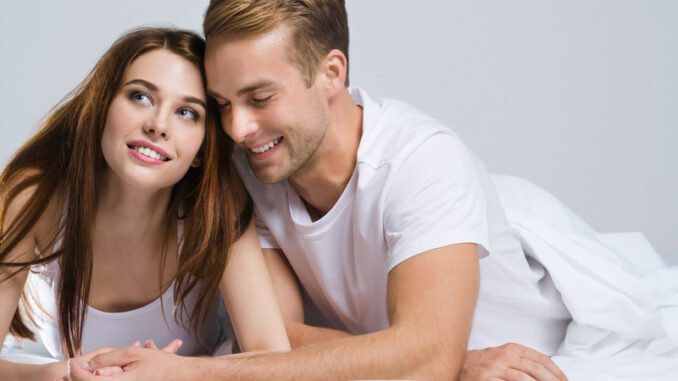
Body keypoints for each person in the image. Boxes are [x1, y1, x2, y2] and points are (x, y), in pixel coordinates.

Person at [73, 1, 572, 380]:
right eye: (222, 103)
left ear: (331, 73)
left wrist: (191, 372)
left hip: (522, 354)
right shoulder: (251, 170)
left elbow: (427, 363)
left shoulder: (420, 162)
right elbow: (275, 335)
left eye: (260, 98)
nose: (237, 127)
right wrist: (420, 354)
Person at [0, 27, 289, 381]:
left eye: (187, 113)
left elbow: (274, 360)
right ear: (102, 106)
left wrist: (171, 374)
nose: (158, 125)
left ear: (201, 151)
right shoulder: (34, 197)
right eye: (140, 96)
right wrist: (58, 375)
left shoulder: (216, 210)